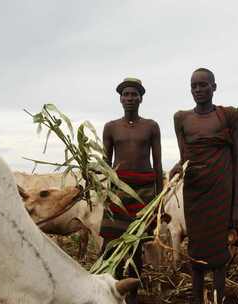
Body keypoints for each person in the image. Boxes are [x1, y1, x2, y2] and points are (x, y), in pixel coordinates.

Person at [172, 68, 238, 304]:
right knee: (195, 250)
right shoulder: (181, 119)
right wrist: (177, 167)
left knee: (218, 254)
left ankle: (218, 298)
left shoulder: (230, 116)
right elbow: (186, 157)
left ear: (214, 87)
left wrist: (236, 207)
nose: (198, 90)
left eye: (203, 85)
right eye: (194, 86)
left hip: (221, 193)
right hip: (194, 194)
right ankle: (196, 298)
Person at [100, 77, 163, 304]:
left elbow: (158, 165)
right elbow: (106, 165)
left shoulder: (151, 126)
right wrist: (106, 194)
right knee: (111, 242)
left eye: (134, 94)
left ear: (141, 98)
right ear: (120, 98)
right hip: (119, 190)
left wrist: (159, 197)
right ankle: (112, 288)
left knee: (136, 243)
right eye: (126, 94)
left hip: (144, 191)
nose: (129, 98)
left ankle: (134, 293)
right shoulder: (111, 127)